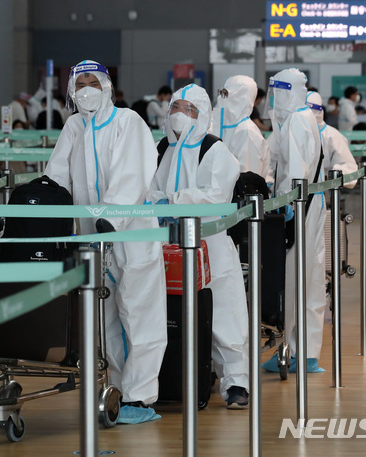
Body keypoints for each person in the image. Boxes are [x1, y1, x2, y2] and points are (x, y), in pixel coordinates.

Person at [44, 59, 167, 424]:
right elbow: (56, 177)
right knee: (105, 319)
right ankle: (117, 389)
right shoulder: (74, 126)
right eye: (79, 82)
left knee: (140, 314)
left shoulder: (128, 122)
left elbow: (134, 176)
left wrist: (110, 219)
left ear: (106, 86)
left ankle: (141, 396)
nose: (85, 88)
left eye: (91, 81)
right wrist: (35, 208)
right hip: (90, 239)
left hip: (132, 235)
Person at [149, 83, 250, 409]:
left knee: (223, 313)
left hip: (212, 243)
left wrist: (174, 201)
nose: (180, 115)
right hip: (172, 244)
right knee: (173, 314)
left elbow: (216, 196)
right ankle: (181, 377)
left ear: (203, 114)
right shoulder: (168, 149)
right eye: (176, 107)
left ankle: (237, 384)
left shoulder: (215, 150)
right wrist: (158, 206)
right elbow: (152, 190)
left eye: (189, 109)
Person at [261, 68, 326, 374]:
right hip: (308, 204)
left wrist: (286, 202)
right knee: (307, 278)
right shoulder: (300, 119)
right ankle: (304, 351)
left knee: (298, 277)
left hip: (300, 206)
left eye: (278, 91)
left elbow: (297, 170)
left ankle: (298, 351)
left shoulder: (298, 120)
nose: (274, 98)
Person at [210, 75, 270, 177]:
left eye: (226, 94)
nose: (222, 98)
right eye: (222, 93)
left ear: (241, 98)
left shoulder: (247, 131)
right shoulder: (220, 125)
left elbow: (247, 179)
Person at [306, 91, 358, 188]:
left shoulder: (332, 135)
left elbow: (347, 166)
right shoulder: (289, 131)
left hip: (321, 191)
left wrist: (331, 176)